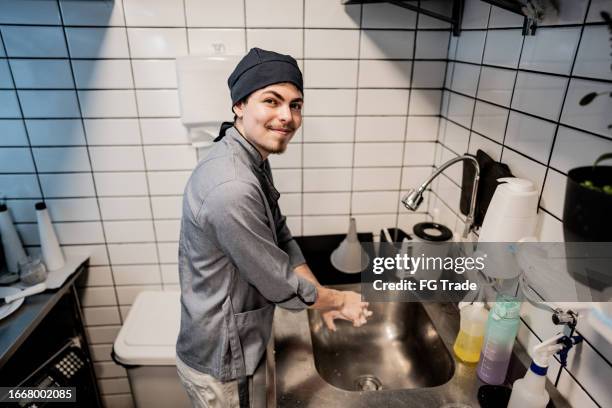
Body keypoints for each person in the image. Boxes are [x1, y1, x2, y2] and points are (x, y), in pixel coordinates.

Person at [176, 48, 372, 408]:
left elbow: (280, 233)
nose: (287, 116)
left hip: (236, 341)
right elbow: (279, 283)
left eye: (295, 105)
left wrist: (318, 297)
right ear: (239, 105)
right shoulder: (231, 186)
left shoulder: (249, 157)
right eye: (272, 101)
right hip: (224, 363)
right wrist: (337, 299)